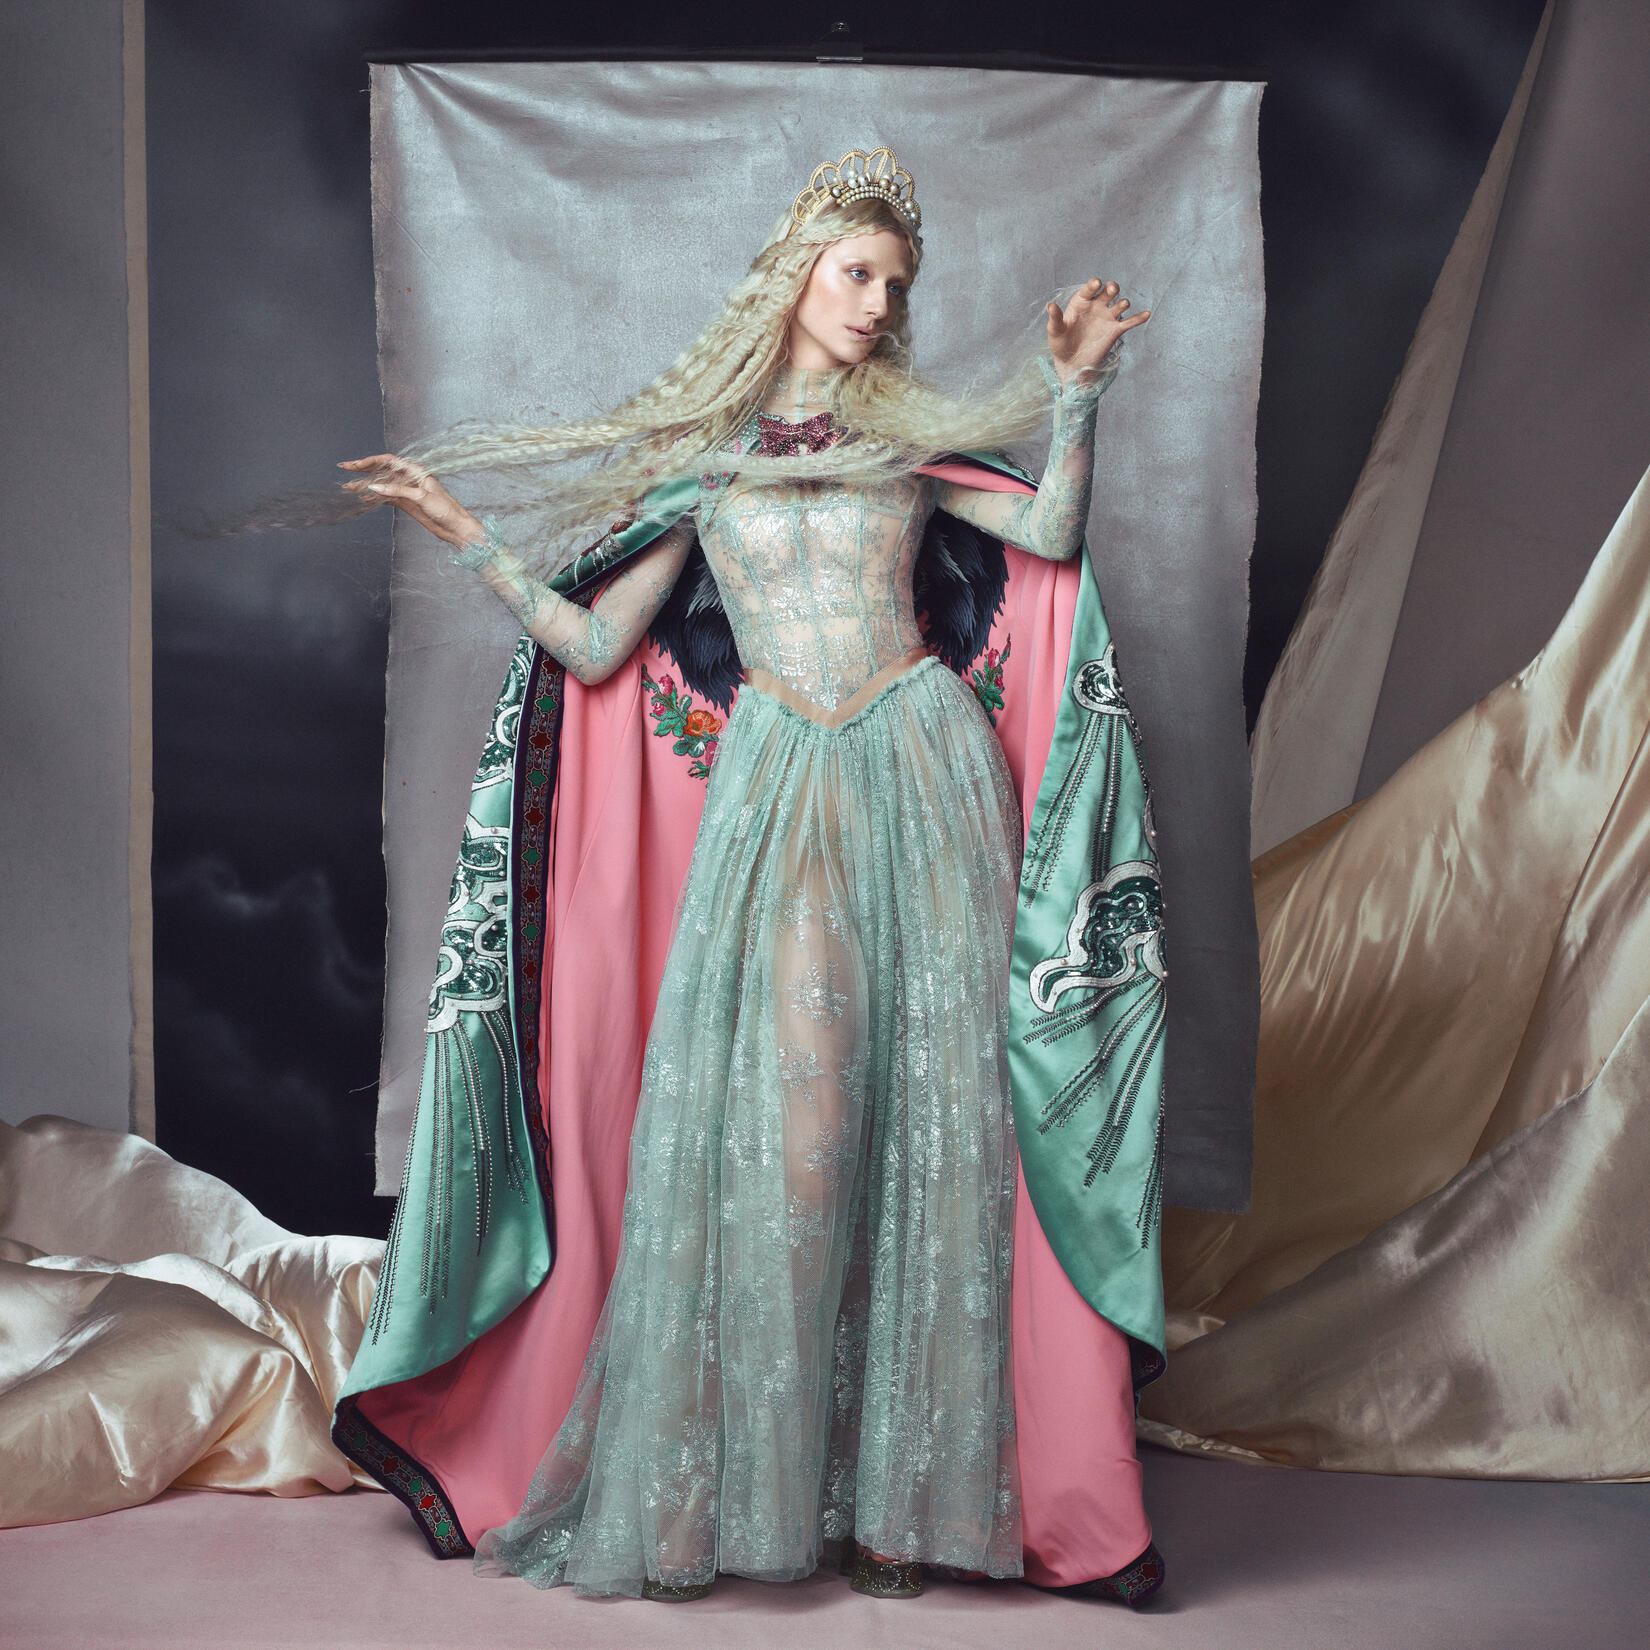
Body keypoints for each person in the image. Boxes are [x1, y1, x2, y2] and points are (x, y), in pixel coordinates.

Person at [334, 147, 1164, 1605]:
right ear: (794, 275)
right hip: (782, 783)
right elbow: (596, 648)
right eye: (856, 272)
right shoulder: (707, 463)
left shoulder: (905, 439)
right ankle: (737, 1489)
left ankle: (903, 1508)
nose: (876, 302)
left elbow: (1045, 535)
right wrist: (471, 543)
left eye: (895, 283)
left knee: (933, 1122)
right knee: (797, 1122)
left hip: (922, 768)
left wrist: (1075, 392)